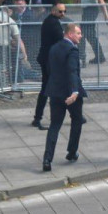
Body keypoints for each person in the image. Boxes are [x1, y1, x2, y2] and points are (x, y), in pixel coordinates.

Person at [41, 23, 85, 172]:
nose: (80, 36)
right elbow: (72, 71)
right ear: (70, 34)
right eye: (78, 33)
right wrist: (74, 91)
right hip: (69, 93)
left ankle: (47, 159)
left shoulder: (54, 48)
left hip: (55, 92)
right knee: (77, 120)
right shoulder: (72, 49)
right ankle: (72, 151)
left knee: (55, 125)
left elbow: (49, 68)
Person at [33, 3, 66, 130]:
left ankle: (38, 117)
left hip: (48, 59)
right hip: (49, 61)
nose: (63, 13)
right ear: (53, 11)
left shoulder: (51, 20)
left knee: (49, 88)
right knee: (49, 89)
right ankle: (38, 117)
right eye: (60, 11)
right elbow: (60, 38)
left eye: (64, 11)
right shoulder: (53, 23)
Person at [74, 0, 108, 67]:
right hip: (86, 10)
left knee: (82, 34)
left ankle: (83, 58)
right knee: (89, 35)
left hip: (91, 10)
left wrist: (106, 16)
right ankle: (99, 56)